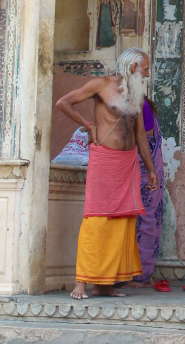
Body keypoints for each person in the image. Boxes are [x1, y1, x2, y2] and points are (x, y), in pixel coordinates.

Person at [55, 48, 158, 299]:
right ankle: (81, 282)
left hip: (128, 163)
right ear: (133, 67)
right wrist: (87, 125)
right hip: (105, 161)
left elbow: (140, 135)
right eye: (145, 69)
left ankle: (105, 283)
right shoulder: (100, 85)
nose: (146, 74)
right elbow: (63, 102)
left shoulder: (136, 94)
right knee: (96, 221)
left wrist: (151, 169)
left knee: (122, 223)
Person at [133, 93, 166, 288]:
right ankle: (141, 273)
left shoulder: (140, 105)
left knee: (143, 221)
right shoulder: (141, 103)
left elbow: (142, 138)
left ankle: (140, 275)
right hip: (149, 169)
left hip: (145, 169)